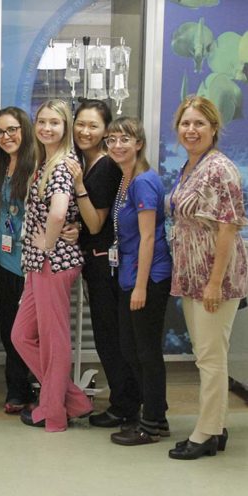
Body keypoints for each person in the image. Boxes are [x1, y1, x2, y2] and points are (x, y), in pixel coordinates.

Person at [167, 96, 248, 460]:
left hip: (216, 276)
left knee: (210, 357)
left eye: (199, 123)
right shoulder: (191, 166)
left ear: (214, 128)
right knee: (205, 354)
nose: (191, 130)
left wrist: (214, 283)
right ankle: (217, 426)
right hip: (191, 273)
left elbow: (229, 228)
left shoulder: (221, 168)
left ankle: (204, 434)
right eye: (186, 123)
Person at [11, 99, 91, 432]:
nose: (46, 128)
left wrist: (48, 242)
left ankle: (54, 411)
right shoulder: (46, 162)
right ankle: (73, 399)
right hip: (38, 265)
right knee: (21, 335)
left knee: (54, 340)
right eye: (41, 121)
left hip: (52, 264)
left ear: (66, 127)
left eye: (54, 123)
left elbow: (58, 212)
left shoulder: (62, 165)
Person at [100, 117, 173, 446]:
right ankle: (153, 412)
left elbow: (148, 238)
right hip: (129, 274)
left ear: (139, 144)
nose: (117, 145)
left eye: (124, 140)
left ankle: (153, 422)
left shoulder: (143, 181)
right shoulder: (125, 178)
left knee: (146, 352)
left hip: (149, 276)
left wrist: (141, 286)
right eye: (112, 140)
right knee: (131, 350)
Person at [64, 99, 136, 429]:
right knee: (108, 335)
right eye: (80, 123)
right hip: (95, 262)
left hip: (105, 264)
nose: (84, 131)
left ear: (106, 131)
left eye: (93, 126)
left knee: (110, 337)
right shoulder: (86, 161)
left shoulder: (104, 167)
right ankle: (124, 402)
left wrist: (79, 187)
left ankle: (125, 406)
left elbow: (95, 224)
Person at [0, 107, 38, 413]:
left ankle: (39, 384)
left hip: (31, 263)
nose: (7, 137)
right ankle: (16, 388)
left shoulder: (37, 165)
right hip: (4, 261)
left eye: (12, 129)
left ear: (24, 129)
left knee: (33, 331)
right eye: (0, 132)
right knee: (8, 328)